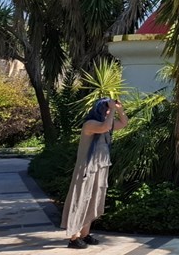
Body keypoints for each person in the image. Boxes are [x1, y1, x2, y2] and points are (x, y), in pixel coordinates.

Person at [61, 97, 128, 249]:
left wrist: (119, 109)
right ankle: (73, 237)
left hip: (100, 167)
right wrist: (111, 110)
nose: (109, 113)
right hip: (86, 168)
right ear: (100, 110)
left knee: (93, 200)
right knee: (80, 199)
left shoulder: (107, 123)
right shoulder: (90, 124)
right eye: (106, 109)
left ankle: (85, 234)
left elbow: (124, 123)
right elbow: (105, 127)